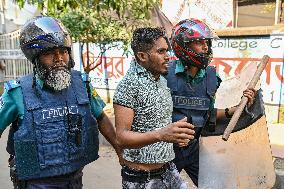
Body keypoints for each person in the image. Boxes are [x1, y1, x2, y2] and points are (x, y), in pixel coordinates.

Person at [0, 16, 121, 189]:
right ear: (36, 59)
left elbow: (101, 117)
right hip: (36, 183)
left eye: (63, 52)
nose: (59, 59)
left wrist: (119, 149)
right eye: (50, 53)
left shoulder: (82, 84)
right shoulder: (17, 93)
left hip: (75, 179)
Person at [165, 18, 256, 187]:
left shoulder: (212, 78)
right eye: (198, 42)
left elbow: (207, 115)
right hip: (166, 151)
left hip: (194, 149)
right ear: (183, 46)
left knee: (216, 185)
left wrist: (235, 109)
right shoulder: (164, 74)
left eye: (206, 42)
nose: (205, 46)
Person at [113, 27, 196, 189]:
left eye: (167, 51)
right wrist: (161, 135)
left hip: (168, 171)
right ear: (142, 56)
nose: (168, 57)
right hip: (143, 179)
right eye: (161, 52)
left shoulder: (161, 80)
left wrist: (175, 135)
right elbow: (121, 138)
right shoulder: (129, 85)